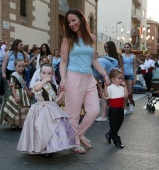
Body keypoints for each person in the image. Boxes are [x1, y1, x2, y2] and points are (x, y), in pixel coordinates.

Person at [60, 9, 110, 154]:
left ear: (81, 19)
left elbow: (93, 60)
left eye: (73, 20)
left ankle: (79, 134)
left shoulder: (91, 38)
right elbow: (63, 62)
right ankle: (74, 142)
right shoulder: (68, 39)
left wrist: (104, 75)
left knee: (94, 110)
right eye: (69, 22)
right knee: (73, 114)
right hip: (73, 78)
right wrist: (63, 78)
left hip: (88, 78)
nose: (71, 24)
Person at [17, 63, 76, 155]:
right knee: (41, 129)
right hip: (40, 109)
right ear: (40, 74)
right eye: (44, 73)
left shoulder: (52, 86)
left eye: (49, 73)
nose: (46, 75)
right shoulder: (38, 84)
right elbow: (36, 89)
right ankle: (41, 148)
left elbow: (56, 100)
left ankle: (51, 147)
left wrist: (62, 92)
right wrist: (44, 81)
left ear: (52, 75)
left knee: (52, 129)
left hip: (51, 108)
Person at [0, 59, 33, 129]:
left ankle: (19, 123)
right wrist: (15, 96)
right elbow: (12, 87)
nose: (21, 68)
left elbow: (24, 85)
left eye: (22, 66)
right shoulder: (13, 75)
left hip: (22, 93)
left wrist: (28, 92)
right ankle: (14, 124)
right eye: (19, 66)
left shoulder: (22, 75)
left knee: (21, 108)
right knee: (15, 107)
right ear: (15, 67)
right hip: (15, 93)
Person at [94, 41, 119, 122]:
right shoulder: (89, 66)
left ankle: (114, 116)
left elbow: (106, 76)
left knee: (112, 96)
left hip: (114, 77)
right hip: (107, 78)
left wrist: (105, 88)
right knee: (104, 96)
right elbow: (95, 78)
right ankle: (104, 116)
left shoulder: (100, 62)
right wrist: (100, 88)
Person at [104, 68, 128, 149]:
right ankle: (117, 141)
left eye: (122, 78)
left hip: (120, 108)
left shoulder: (121, 88)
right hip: (113, 109)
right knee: (113, 125)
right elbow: (106, 96)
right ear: (112, 79)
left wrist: (125, 86)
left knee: (119, 122)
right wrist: (105, 87)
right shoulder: (110, 87)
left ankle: (109, 134)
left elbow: (126, 96)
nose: (121, 80)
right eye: (119, 78)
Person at [119, 43, 136, 114]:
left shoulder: (133, 56)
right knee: (124, 93)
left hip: (130, 75)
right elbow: (120, 65)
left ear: (130, 48)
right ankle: (125, 108)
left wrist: (135, 77)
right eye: (125, 47)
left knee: (130, 93)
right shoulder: (121, 56)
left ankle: (131, 103)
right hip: (123, 75)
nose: (126, 48)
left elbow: (134, 67)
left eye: (128, 47)